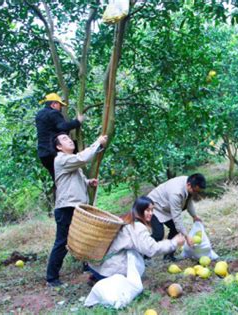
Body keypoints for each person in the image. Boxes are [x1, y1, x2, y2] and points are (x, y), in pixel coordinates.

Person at [46, 132, 108, 287]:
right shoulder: (61, 159)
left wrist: (88, 182)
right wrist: (97, 143)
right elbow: (83, 158)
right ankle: (51, 277)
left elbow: (72, 180)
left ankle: (87, 265)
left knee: (83, 237)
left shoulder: (70, 162)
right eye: (64, 139)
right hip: (66, 207)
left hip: (77, 206)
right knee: (62, 242)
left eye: (69, 137)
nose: (69, 140)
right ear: (59, 147)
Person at [88, 196, 185, 281]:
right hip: (108, 272)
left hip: (97, 267)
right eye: (147, 210)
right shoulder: (137, 227)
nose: (151, 213)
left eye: (152, 210)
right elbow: (151, 249)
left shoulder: (126, 218)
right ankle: (104, 280)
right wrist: (173, 242)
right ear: (139, 210)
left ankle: (97, 277)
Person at [148, 173, 206, 261]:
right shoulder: (176, 192)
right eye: (195, 191)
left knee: (175, 230)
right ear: (189, 185)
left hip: (166, 207)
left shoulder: (189, 182)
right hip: (154, 207)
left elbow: (188, 201)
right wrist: (186, 236)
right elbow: (177, 218)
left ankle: (168, 256)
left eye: (198, 191)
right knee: (158, 234)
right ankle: (142, 255)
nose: (196, 193)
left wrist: (194, 216)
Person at [35, 93, 85, 180]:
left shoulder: (39, 114)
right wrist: (78, 122)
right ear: (54, 104)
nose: (61, 108)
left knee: (58, 180)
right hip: (55, 152)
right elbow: (62, 126)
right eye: (60, 105)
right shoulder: (53, 112)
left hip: (43, 154)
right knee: (71, 177)